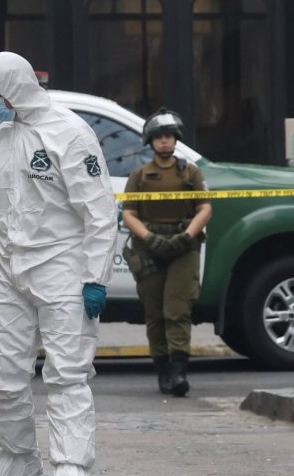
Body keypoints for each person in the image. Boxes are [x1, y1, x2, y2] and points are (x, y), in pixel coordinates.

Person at [0, 51, 117, 476]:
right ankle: (17, 458)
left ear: (15, 89)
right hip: (8, 273)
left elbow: (99, 211)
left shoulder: (70, 134)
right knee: (2, 378)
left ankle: (70, 463)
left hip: (62, 267)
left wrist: (94, 277)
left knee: (67, 375)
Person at [121, 108, 212, 397]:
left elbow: (205, 208)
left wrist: (187, 235)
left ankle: (179, 372)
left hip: (183, 247)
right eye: (159, 137)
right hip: (149, 248)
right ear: (151, 141)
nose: (164, 142)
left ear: (176, 140)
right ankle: (163, 370)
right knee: (155, 313)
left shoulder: (189, 172)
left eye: (169, 137)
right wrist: (150, 237)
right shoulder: (139, 175)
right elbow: (129, 213)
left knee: (178, 310)